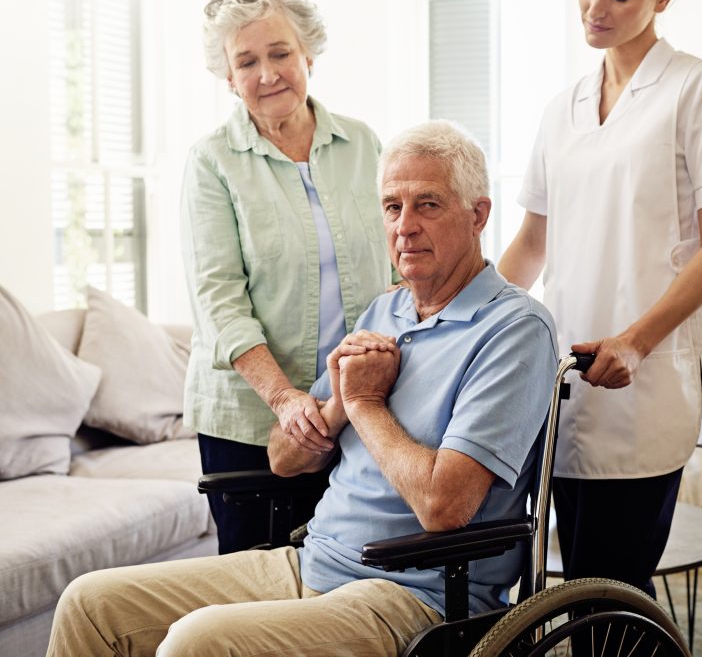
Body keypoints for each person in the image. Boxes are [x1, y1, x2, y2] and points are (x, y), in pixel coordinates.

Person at [47, 121, 558, 657]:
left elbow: (443, 507)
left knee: (198, 643)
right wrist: (339, 405)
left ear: (477, 215)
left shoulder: (515, 330)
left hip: (418, 595)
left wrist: (364, 404)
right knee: (90, 603)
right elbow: (284, 458)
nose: (404, 227)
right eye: (391, 207)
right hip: (311, 561)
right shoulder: (385, 310)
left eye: (427, 205)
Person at [498, 0, 702, 597]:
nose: (596, 6)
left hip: (643, 381)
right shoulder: (564, 107)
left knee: (612, 585)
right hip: (564, 380)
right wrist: (462, 318)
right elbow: (532, 243)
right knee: (572, 582)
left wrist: (638, 343)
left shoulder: (698, 86)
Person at [181, 0, 393, 553]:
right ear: (229, 77)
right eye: (247, 61)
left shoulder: (364, 145)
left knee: (340, 576)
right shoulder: (212, 162)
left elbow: (399, 267)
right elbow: (219, 299)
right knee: (256, 589)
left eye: (281, 53)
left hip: (352, 410)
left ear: (309, 56)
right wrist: (284, 399)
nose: (267, 73)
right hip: (250, 423)